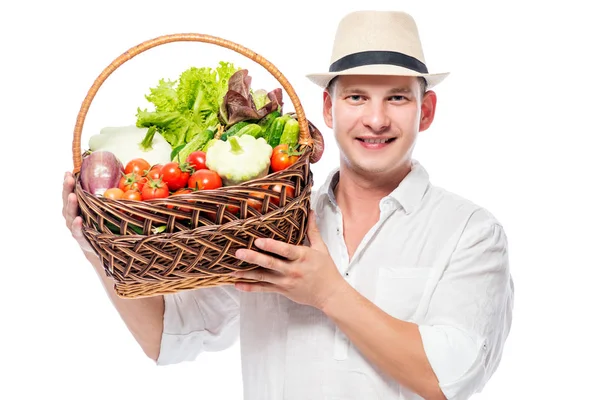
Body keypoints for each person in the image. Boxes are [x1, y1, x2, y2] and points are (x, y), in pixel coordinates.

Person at [62, 10, 514, 400]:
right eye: (356, 96)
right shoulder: (269, 221)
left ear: (426, 110)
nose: (376, 119)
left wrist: (327, 292)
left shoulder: (469, 232)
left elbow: (448, 377)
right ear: (329, 109)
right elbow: (166, 336)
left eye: (397, 97)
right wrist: (96, 247)